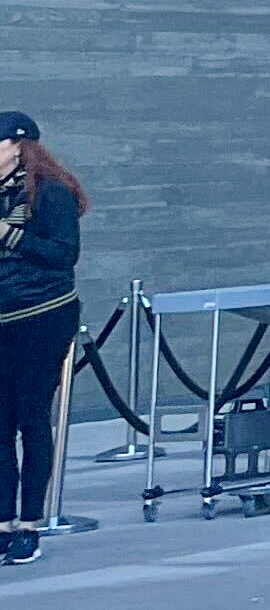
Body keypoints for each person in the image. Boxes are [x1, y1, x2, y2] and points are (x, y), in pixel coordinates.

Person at [0, 112, 85, 567]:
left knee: (31, 417)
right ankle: (2, 523)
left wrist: (8, 235)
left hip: (41, 316)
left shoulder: (50, 192)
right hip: (2, 317)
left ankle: (30, 524)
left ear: (19, 146)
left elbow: (64, 255)